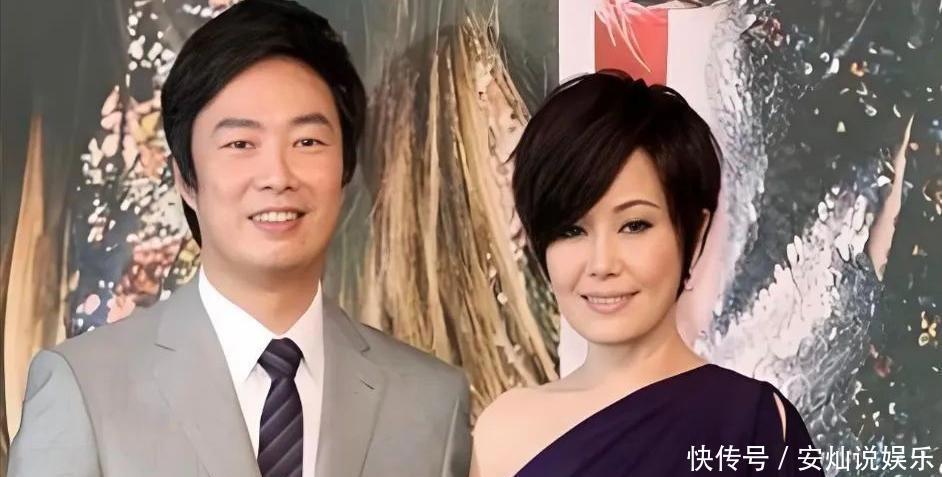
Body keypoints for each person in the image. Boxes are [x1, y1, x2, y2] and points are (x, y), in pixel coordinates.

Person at [8, 1, 470, 476]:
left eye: (307, 142)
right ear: (186, 179)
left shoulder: (430, 404)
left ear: (345, 169)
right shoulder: (84, 390)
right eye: (240, 144)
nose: (277, 176)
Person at [471, 70, 824, 476]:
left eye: (634, 225)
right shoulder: (502, 431)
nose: (602, 264)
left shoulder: (754, 425)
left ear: (694, 233)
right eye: (571, 230)